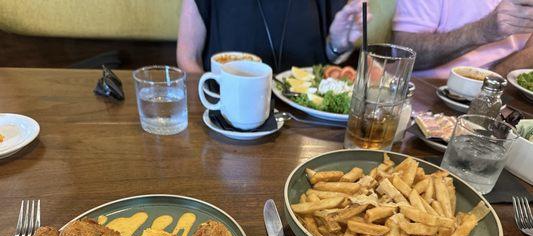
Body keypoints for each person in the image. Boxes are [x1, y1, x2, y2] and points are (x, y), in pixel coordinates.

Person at [177, 0, 368, 73]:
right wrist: (211, 104)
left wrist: (337, 45)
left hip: (306, 113)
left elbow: (329, 55)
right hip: (227, 110)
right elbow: (188, 58)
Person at [392, 0, 533, 79]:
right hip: (431, 94)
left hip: (502, 96)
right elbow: (402, 54)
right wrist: (482, 31)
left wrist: (497, 75)